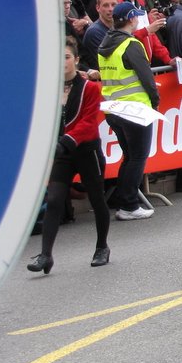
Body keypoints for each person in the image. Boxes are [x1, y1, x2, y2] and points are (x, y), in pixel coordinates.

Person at [27, 38, 110, 274]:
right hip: (63, 153)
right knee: (53, 199)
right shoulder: (49, 89)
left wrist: (67, 140)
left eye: (66, 57)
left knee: (97, 198)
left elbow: (88, 122)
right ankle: (46, 255)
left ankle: (102, 246)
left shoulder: (90, 88)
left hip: (86, 150)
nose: (62, 62)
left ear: (76, 60)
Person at [97, 2, 160, 221]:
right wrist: (155, 100)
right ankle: (129, 204)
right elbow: (146, 77)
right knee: (137, 157)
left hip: (113, 108)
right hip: (134, 108)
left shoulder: (106, 42)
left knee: (130, 156)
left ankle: (125, 200)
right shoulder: (131, 44)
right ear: (132, 19)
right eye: (137, 17)